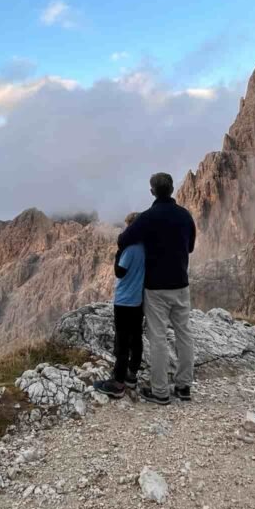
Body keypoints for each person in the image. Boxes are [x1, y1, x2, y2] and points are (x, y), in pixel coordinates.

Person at [117, 173, 196, 405]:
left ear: (152, 191)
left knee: (158, 337)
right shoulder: (185, 216)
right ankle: (184, 386)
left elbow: (123, 240)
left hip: (156, 288)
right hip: (181, 284)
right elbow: (190, 247)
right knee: (184, 333)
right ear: (172, 188)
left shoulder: (148, 217)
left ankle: (160, 391)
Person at [94, 212, 145, 399]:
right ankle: (132, 375)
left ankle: (118, 383)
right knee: (137, 338)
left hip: (124, 301)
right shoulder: (146, 247)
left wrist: (118, 252)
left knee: (122, 342)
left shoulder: (129, 249)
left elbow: (119, 272)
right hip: (139, 301)